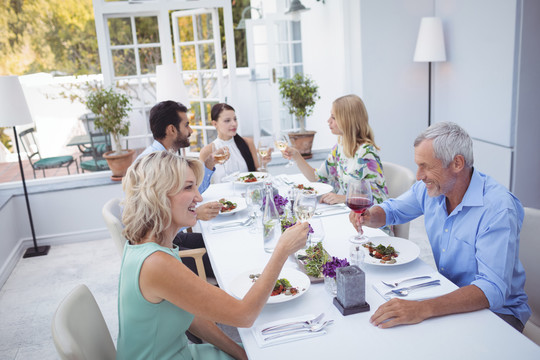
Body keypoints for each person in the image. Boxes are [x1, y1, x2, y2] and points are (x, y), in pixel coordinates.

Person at [117, 151, 309, 359]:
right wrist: (282, 250)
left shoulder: (148, 245)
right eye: (189, 187)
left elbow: (193, 317)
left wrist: (242, 354)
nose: (198, 197)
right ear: (159, 195)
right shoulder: (156, 263)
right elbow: (244, 315)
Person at [350, 122, 530, 331]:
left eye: (425, 166)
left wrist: (423, 308)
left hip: (499, 315)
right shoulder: (433, 190)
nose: (418, 175)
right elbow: (394, 211)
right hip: (451, 294)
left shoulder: (497, 208)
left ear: (457, 163)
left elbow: (493, 290)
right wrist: (370, 215)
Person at [137, 100, 225, 278]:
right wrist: (194, 214)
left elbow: (189, 192)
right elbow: (151, 223)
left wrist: (208, 165)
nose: (191, 131)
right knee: (225, 260)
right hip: (161, 247)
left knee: (223, 242)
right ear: (171, 129)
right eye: (186, 125)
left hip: (173, 237)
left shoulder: (164, 157)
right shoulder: (153, 164)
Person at [282, 94, 388, 205]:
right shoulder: (340, 147)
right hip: (354, 214)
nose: (328, 121)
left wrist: (345, 198)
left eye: (334, 117)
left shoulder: (366, 152)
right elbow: (318, 178)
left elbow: (379, 200)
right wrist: (296, 156)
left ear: (347, 120)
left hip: (372, 219)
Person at [199, 103, 272, 183]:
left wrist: (263, 163)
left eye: (235, 119)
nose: (234, 124)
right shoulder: (207, 151)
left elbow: (258, 175)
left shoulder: (248, 143)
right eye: (227, 120)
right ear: (215, 124)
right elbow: (202, 184)